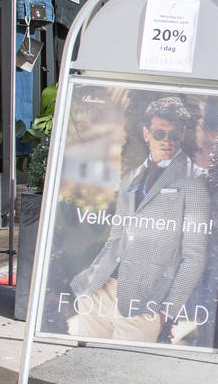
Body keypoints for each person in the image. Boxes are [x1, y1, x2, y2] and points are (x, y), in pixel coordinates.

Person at [66, 95, 210, 343]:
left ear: (182, 134)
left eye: (174, 134)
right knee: (84, 362)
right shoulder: (131, 177)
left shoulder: (193, 180)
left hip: (145, 300)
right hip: (101, 289)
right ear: (146, 134)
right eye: (159, 133)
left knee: (125, 370)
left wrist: (168, 310)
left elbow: (194, 255)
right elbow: (115, 237)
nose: (167, 141)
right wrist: (90, 286)